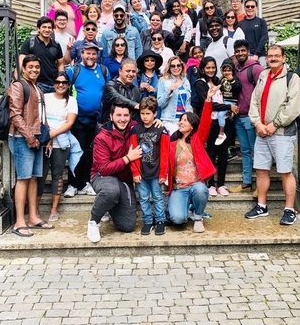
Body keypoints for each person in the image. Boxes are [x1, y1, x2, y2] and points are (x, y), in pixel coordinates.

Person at [246, 45, 300, 226]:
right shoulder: (263, 76)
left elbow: (293, 106)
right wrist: (257, 123)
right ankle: (262, 206)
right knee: (261, 170)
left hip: (281, 133)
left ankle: (289, 209)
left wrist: (274, 124)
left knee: (285, 171)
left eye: (276, 56)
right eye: (270, 56)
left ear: (284, 58)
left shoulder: (292, 78)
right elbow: (254, 101)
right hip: (262, 131)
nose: (273, 58)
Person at [7, 54, 54, 237]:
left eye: (37, 67)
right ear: (24, 69)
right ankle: (19, 222)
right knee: (24, 178)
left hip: (36, 139)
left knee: (34, 178)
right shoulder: (19, 86)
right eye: (31, 67)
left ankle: (33, 217)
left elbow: (41, 116)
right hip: (22, 138)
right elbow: (15, 115)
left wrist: (46, 137)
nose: (34, 70)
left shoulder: (37, 87)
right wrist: (29, 137)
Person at [86, 102, 142, 243]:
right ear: (111, 116)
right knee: (111, 191)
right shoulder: (102, 137)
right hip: (102, 176)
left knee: (127, 225)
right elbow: (104, 169)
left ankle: (109, 206)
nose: (122, 119)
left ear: (130, 117)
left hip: (124, 180)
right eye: (118, 115)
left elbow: (150, 125)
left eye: (125, 115)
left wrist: (157, 122)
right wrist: (128, 158)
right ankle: (94, 221)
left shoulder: (134, 128)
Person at [166, 84, 219, 233]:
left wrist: (208, 99)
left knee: (201, 189)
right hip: (179, 189)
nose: (180, 122)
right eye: (180, 120)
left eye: (185, 120)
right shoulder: (172, 143)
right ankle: (187, 210)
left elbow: (206, 122)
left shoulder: (197, 139)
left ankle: (198, 216)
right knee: (178, 219)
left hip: (196, 185)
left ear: (192, 125)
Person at [65, 42, 108, 198]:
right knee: (76, 150)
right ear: (82, 53)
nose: (91, 56)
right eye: (88, 53)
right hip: (77, 118)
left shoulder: (103, 70)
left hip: (96, 119)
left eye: (94, 54)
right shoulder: (73, 70)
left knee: (90, 152)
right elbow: (62, 89)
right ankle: (72, 184)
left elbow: (107, 91)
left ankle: (84, 183)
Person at [193, 57, 238, 196]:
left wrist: (231, 109)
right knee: (211, 152)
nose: (211, 70)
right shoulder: (200, 83)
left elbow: (230, 94)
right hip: (210, 122)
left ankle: (221, 184)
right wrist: (229, 106)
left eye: (213, 67)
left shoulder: (219, 81)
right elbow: (208, 104)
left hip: (224, 121)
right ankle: (211, 183)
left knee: (223, 153)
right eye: (208, 68)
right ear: (202, 68)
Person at [41, 72, 78, 222]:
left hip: (61, 143)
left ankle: (54, 209)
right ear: (53, 83)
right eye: (58, 82)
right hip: (43, 142)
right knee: (40, 176)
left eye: (64, 82)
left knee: (57, 176)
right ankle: (34, 208)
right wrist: (47, 135)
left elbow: (69, 123)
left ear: (68, 85)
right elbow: (40, 116)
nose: (60, 85)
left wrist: (51, 135)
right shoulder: (45, 97)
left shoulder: (71, 101)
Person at [130, 97, 169, 236]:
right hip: (141, 171)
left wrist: (163, 173)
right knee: (144, 197)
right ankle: (147, 220)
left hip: (156, 171)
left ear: (155, 114)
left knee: (158, 197)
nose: (145, 116)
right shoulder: (135, 129)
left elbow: (165, 153)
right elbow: (133, 151)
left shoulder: (161, 130)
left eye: (148, 113)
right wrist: (135, 171)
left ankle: (160, 220)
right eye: (142, 113)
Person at [229, 39, 264, 193]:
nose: (240, 53)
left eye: (243, 50)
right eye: (238, 51)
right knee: (244, 150)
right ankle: (246, 182)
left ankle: (260, 185)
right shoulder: (235, 69)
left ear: (248, 51)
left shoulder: (256, 69)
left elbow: (263, 92)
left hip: (251, 116)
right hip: (238, 116)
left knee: (255, 149)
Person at [18, 16, 64, 94]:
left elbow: (60, 64)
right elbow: (21, 63)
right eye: (44, 27)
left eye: (49, 27)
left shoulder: (56, 45)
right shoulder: (29, 43)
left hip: (53, 85)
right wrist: (15, 82)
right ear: (38, 29)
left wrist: (61, 81)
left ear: (52, 30)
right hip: (36, 84)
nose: (47, 30)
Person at [157, 56, 192, 135]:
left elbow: (188, 102)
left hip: (185, 119)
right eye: (173, 66)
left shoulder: (186, 81)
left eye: (178, 65)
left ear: (182, 66)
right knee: (172, 144)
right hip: (170, 120)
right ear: (169, 68)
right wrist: (169, 91)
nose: (176, 68)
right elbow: (159, 103)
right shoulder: (163, 81)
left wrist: (191, 117)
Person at [101, 58, 142, 123]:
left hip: (131, 129)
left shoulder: (136, 89)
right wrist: (135, 105)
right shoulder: (110, 85)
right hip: (112, 128)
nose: (131, 74)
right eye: (128, 71)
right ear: (120, 71)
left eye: (133, 71)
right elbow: (117, 98)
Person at [215, 59, 241, 147]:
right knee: (222, 115)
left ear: (233, 71)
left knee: (220, 115)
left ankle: (221, 133)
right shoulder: (221, 79)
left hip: (232, 101)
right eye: (225, 70)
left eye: (229, 70)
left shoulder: (235, 79)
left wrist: (232, 80)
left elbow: (238, 88)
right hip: (224, 101)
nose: (227, 72)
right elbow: (219, 89)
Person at [238, 0, 268, 66]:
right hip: (245, 56)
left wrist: (257, 54)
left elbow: (264, 38)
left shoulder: (261, 22)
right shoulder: (240, 24)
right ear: (245, 8)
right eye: (248, 6)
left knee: (261, 76)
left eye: (252, 6)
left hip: (260, 56)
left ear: (256, 8)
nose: (250, 8)